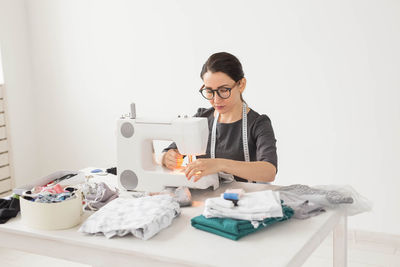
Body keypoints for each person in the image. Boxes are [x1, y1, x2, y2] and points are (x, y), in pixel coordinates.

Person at [161, 52, 277, 183]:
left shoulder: (258, 123)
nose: (216, 100)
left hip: (246, 199)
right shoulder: (201, 118)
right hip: (207, 199)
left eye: (223, 90)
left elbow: (269, 171)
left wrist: (220, 164)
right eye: (209, 91)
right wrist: (167, 157)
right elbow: (171, 151)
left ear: (241, 85)